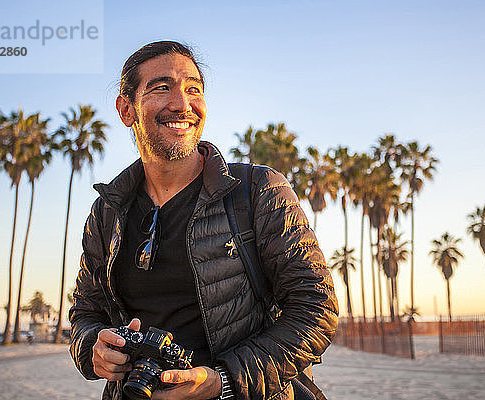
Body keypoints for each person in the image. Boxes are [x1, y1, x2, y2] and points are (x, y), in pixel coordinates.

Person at [69, 41, 338, 400]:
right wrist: (93, 350)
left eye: (193, 88)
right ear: (126, 109)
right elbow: (86, 313)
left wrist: (222, 381)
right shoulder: (107, 212)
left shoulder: (258, 190)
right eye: (161, 87)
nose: (182, 104)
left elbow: (316, 309)